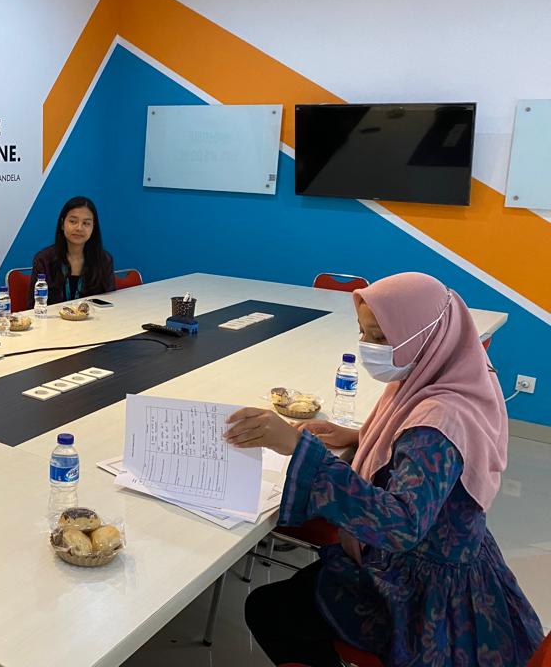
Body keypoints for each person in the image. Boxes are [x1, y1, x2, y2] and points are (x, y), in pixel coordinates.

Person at [225, 272, 543, 667]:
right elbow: (420, 455)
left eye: (379, 337)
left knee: (268, 609)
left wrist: (298, 448)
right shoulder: (457, 369)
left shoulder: (437, 421)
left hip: (419, 594)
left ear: (424, 335)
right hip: (458, 559)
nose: (367, 346)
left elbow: (401, 524)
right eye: (363, 333)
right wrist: (359, 437)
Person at [28, 196, 114, 307]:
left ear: (93, 227)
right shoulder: (44, 260)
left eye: (86, 223)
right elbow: (33, 307)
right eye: (73, 221)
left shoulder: (104, 260)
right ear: (62, 224)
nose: (79, 228)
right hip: (52, 318)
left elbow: (110, 302)